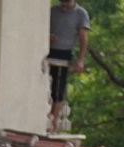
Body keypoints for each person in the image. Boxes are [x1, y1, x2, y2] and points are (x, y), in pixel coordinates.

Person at [47, 0, 89, 132]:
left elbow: (83, 37)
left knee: (58, 88)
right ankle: (45, 116)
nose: (64, 3)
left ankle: (52, 120)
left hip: (64, 53)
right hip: (47, 51)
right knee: (45, 85)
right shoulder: (52, 11)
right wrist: (47, 37)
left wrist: (80, 60)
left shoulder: (81, 14)